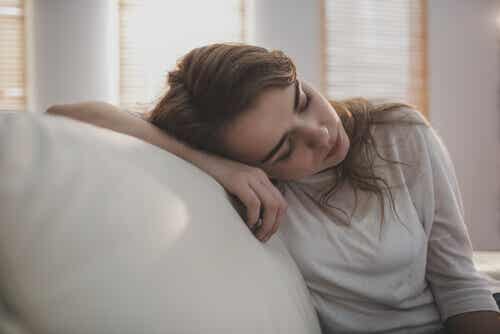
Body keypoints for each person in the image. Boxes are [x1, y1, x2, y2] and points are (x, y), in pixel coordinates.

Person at [47, 43, 500, 333]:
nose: (320, 133)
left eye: (303, 100)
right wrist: (211, 164)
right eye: (284, 149)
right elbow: (67, 114)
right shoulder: (250, 191)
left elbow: (458, 280)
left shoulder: (398, 131)